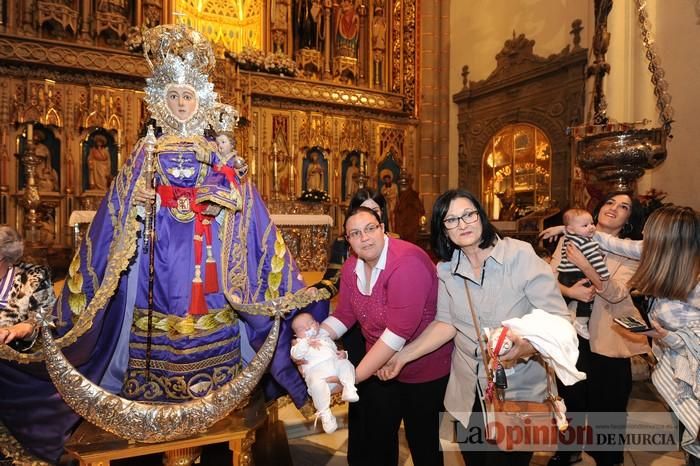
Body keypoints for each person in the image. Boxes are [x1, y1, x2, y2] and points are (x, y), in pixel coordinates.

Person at [0, 24, 327, 464]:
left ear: (202, 101)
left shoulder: (216, 152)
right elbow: (118, 203)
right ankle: (155, 393)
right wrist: (138, 199)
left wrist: (223, 191)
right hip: (158, 250)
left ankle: (218, 390)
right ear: (160, 100)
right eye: (173, 96)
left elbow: (245, 205)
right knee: (157, 307)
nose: (181, 104)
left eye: (188, 97)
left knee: (209, 306)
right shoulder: (146, 151)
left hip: (208, 250)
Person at [378, 189, 572, 466]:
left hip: (516, 392)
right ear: (443, 230)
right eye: (451, 220)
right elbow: (445, 324)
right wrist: (402, 357)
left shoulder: (520, 256)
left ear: (480, 216)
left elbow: (559, 319)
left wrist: (522, 346)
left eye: (468, 214)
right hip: (468, 393)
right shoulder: (446, 270)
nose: (462, 224)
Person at [321, 206, 452, 466]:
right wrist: (317, 336)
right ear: (348, 240)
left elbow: (397, 333)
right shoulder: (351, 266)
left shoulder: (407, 262)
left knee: (423, 444)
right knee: (378, 440)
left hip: (422, 366)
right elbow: (346, 314)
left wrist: (350, 379)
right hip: (380, 367)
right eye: (355, 233)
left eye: (370, 228)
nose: (365, 238)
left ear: (383, 229)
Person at [544, 192, 650, 466]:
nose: (614, 208)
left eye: (623, 206)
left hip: (609, 337)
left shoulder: (631, 250)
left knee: (609, 406)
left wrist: (585, 266)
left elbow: (616, 293)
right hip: (571, 334)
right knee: (569, 398)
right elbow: (549, 277)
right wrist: (570, 291)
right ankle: (568, 452)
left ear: (628, 219)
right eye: (610, 202)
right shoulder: (571, 237)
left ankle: (608, 458)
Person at [590, 205, 699, 463]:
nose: (643, 233)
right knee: (688, 445)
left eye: (650, 230)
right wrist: (569, 227)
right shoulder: (656, 254)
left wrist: (668, 337)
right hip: (678, 375)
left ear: (666, 239)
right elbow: (610, 242)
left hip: (694, 379)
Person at [290, 312, 358, 434]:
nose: (307, 328)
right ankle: (325, 413)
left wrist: (344, 354)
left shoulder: (324, 337)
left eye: (310, 324)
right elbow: (296, 355)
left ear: (317, 324)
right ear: (296, 335)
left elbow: (336, 350)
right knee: (315, 383)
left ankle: (349, 388)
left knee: (346, 365)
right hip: (316, 371)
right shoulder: (299, 344)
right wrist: (305, 342)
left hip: (334, 365)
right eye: (301, 329)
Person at [557, 208, 610, 340]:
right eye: (585, 225)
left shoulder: (569, 238)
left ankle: (567, 316)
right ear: (571, 229)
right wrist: (604, 274)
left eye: (592, 223)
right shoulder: (585, 242)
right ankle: (581, 322)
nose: (591, 227)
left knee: (567, 302)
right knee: (586, 298)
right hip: (575, 275)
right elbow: (595, 259)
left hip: (563, 274)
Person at [0, 226, 55, 352]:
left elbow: (48, 319)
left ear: (8, 258)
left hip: (15, 362)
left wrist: (25, 328)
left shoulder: (33, 278)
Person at [394, 173, 424, 244]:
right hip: (401, 225)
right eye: (401, 184)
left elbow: (420, 209)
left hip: (411, 223)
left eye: (405, 183)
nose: (403, 186)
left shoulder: (414, 195)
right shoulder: (399, 195)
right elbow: (397, 210)